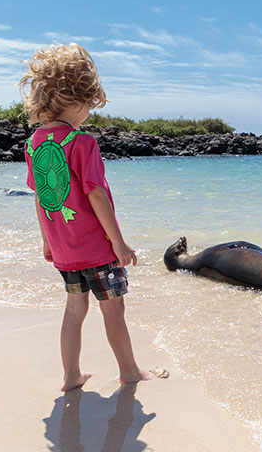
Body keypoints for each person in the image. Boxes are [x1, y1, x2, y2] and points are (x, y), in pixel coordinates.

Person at [20, 43, 166, 391]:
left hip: (66, 251)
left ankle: (71, 376)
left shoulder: (33, 144)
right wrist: (118, 242)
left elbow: (42, 197)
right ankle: (129, 370)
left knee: (74, 310)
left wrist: (46, 240)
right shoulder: (81, 142)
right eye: (88, 104)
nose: (88, 112)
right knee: (113, 310)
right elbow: (96, 194)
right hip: (98, 250)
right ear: (75, 99)